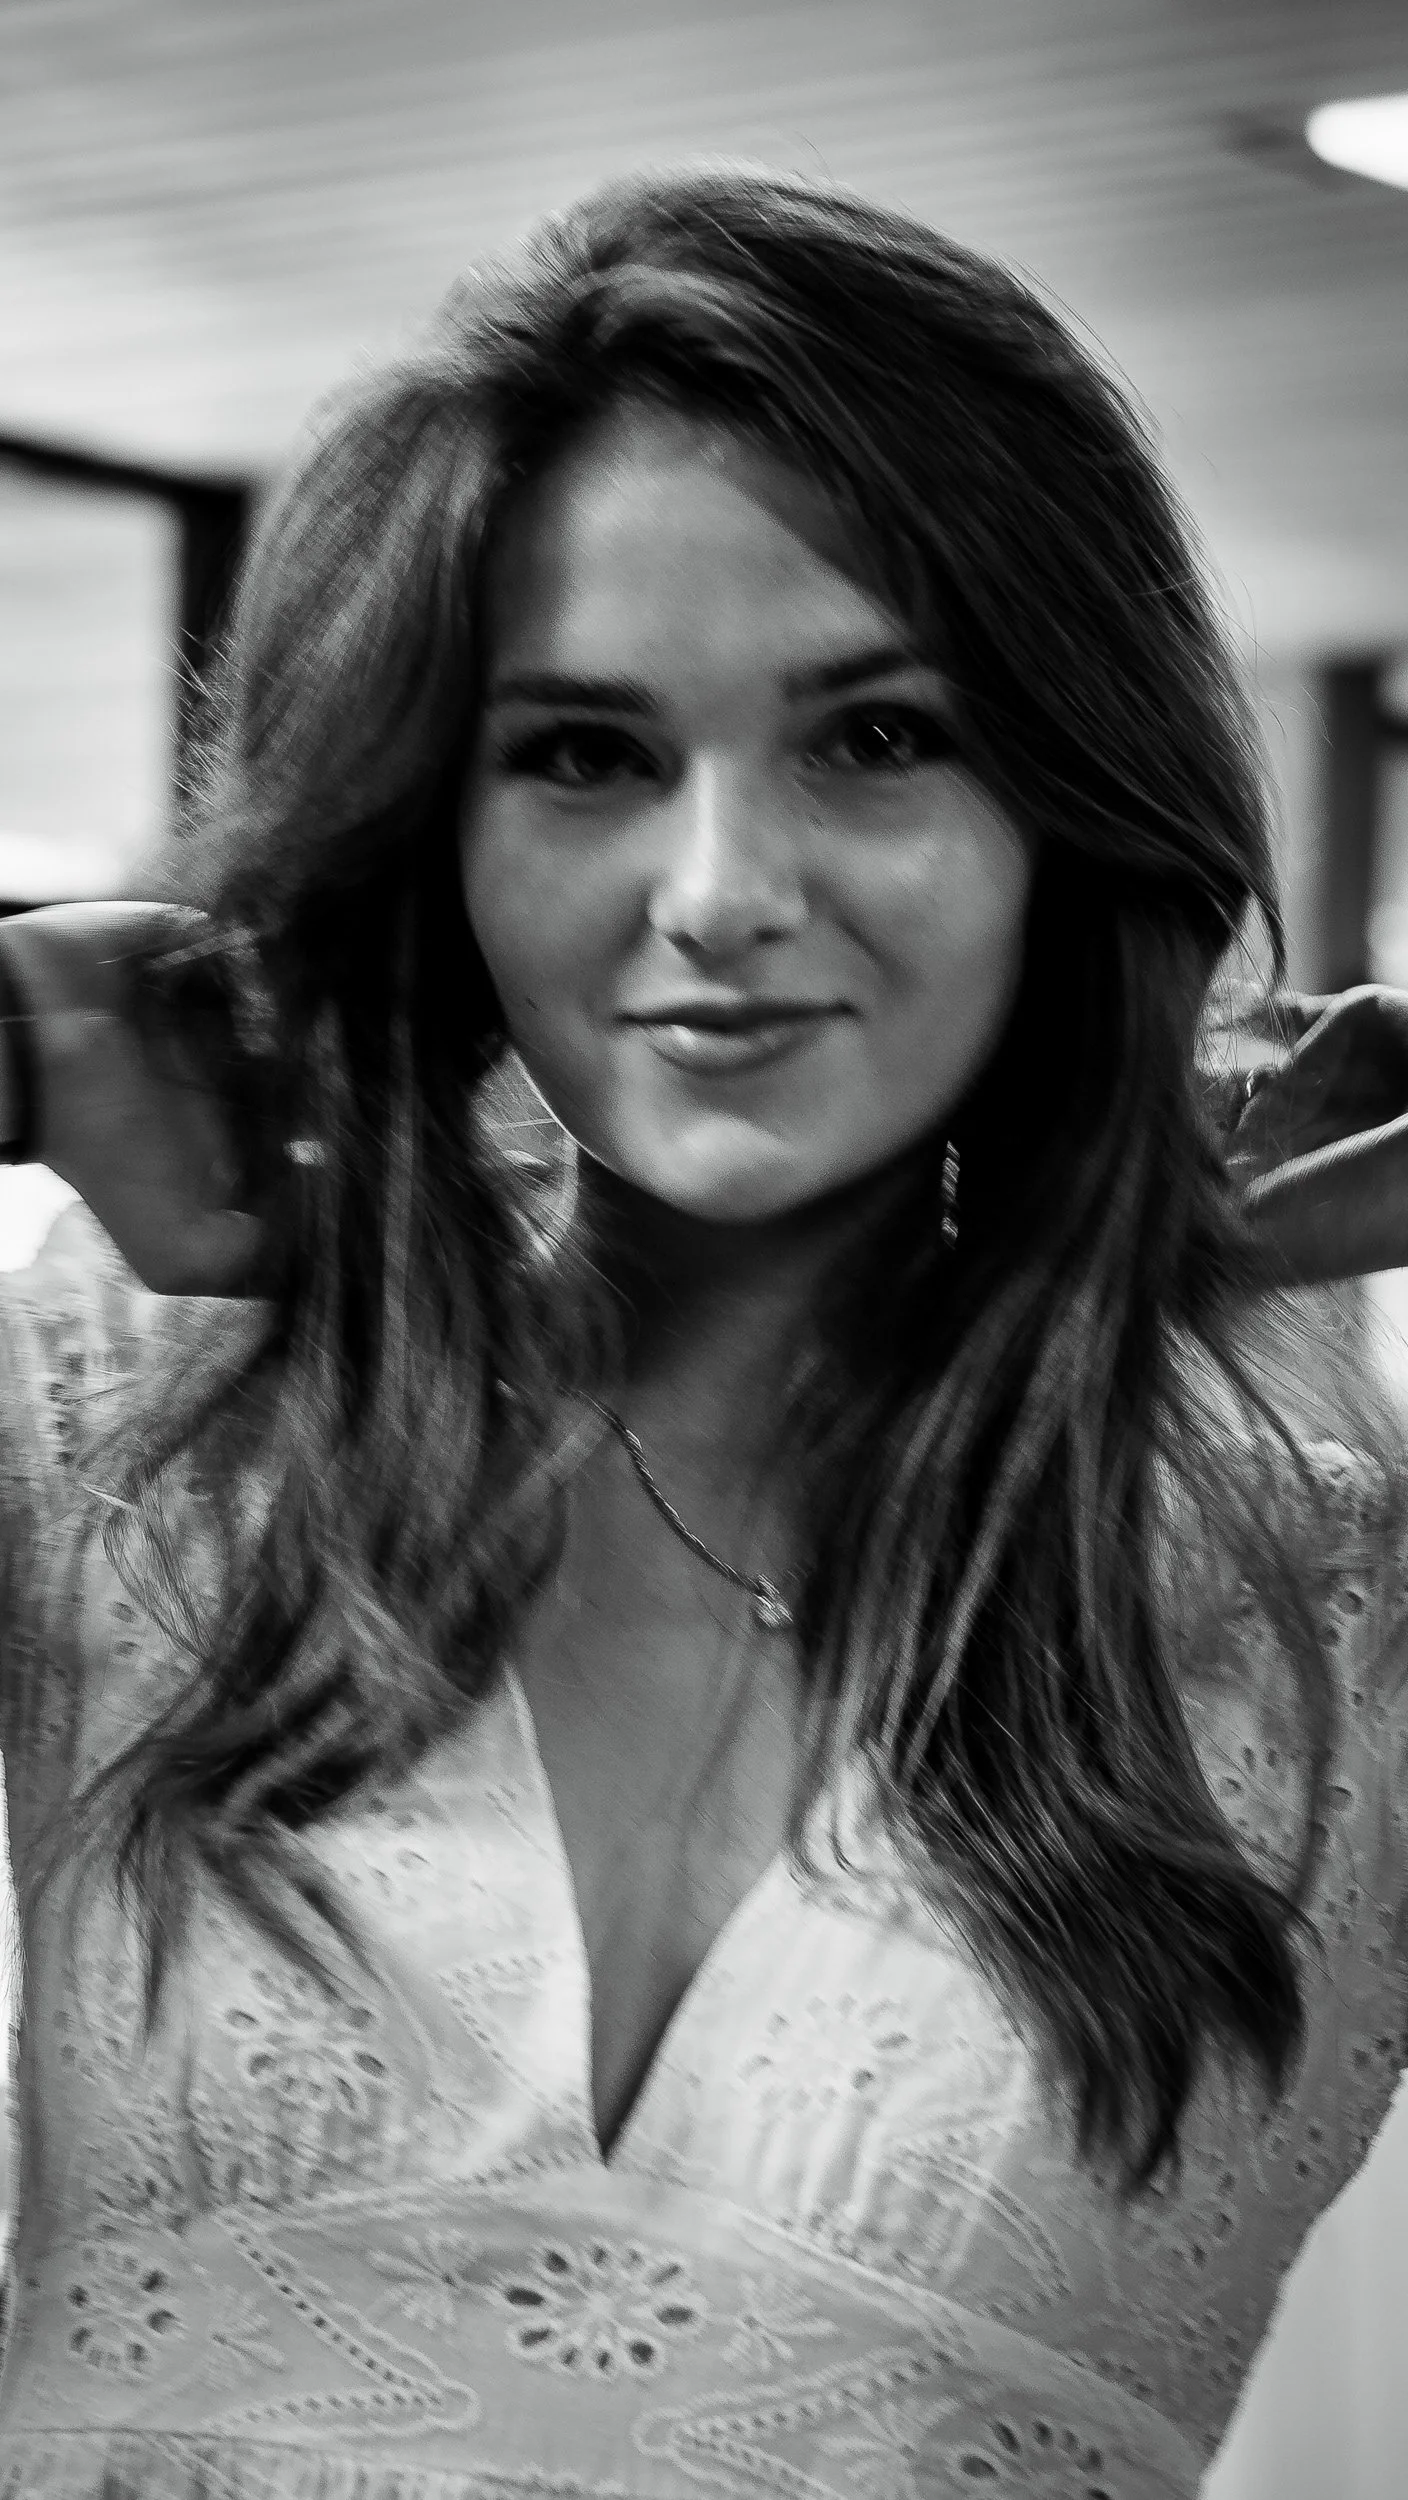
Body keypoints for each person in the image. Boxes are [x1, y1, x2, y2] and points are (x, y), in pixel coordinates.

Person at [0, 166, 1405, 2500]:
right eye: (584, 752)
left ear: (1063, 807)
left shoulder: (1328, 1603)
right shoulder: (137, 1425)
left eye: (875, 738)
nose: (722, 891)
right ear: (436, 828)